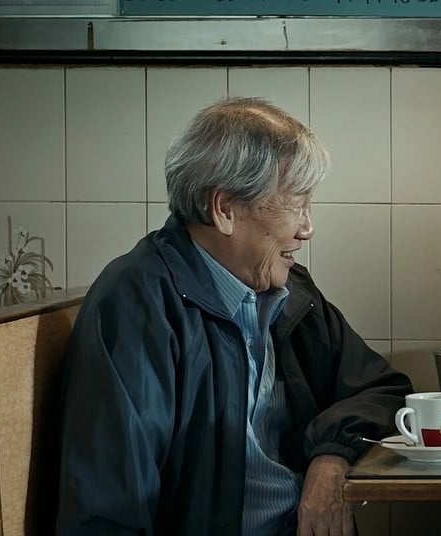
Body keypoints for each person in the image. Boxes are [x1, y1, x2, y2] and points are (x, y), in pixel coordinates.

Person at [57, 97, 413, 535]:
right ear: (224, 208)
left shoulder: (292, 292)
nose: (307, 228)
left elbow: (384, 390)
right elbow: (110, 511)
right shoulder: (137, 304)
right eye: (297, 204)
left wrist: (332, 456)